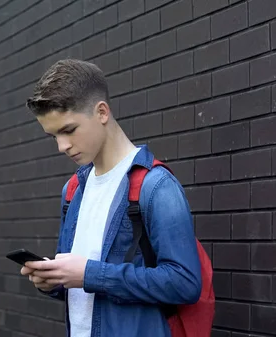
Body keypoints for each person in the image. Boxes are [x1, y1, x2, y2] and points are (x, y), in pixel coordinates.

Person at [20, 59, 202, 337]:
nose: (62, 146)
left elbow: (185, 283)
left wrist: (90, 275)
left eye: (68, 130)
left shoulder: (155, 187)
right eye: (53, 135)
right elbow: (79, 283)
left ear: (102, 112)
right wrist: (53, 281)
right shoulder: (72, 190)